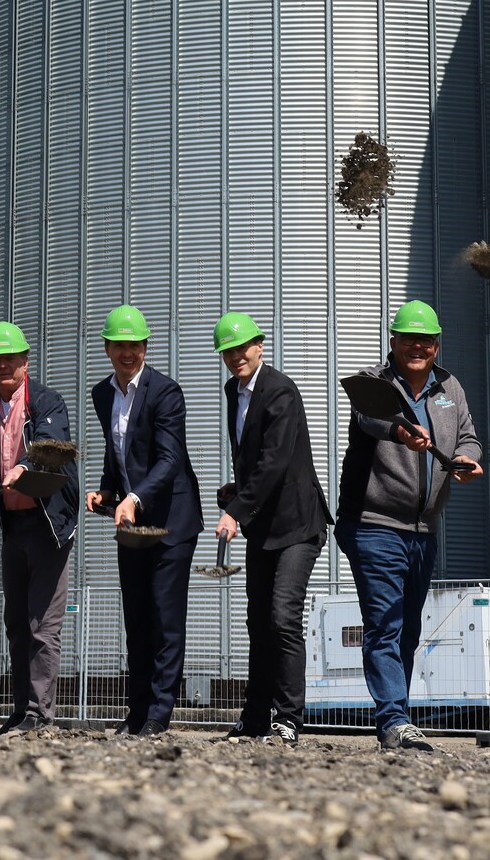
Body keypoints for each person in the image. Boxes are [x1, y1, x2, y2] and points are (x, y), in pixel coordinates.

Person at [336, 300, 482, 752]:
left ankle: (393, 718)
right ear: (393, 342)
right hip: (373, 523)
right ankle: (395, 719)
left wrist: (467, 460)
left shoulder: (449, 386)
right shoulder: (374, 383)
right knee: (385, 622)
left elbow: (469, 437)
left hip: (424, 529)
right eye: (409, 339)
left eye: (427, 340)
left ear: (437, 345)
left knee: (409, 627)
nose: (418, 347)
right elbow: (371, 418)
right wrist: (402, 431)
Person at [213, 312, 330, 747]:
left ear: (260, 346)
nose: (236, 356)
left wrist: (237, 510)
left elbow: (277, 458)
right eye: (228, 350)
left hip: (298, 523)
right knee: (258, 623)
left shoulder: (280, 389)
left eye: (243, 347)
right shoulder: (233, 391)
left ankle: (288, 719)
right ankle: (254, 717)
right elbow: (252, 456)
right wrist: (238, 489)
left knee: (282, 617)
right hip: (263, 524)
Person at [85, 305, 202, 737]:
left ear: (146, 347)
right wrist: (108, 491)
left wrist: (132, 497)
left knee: (164, 616)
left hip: (173, 520)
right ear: (107, 348)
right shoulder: (102, 394)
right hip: (131, 523)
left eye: (134, 345)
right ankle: (136, 712)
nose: (127, 353)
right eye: (119, 345)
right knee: (135, 617)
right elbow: (119, 454)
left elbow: (170, 460)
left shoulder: (166, 392)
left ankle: (158, 714)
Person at [0, 321, 79, 733]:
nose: (3, 367)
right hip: (12, 523)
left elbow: (51, 449)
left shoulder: (47, 402)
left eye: (10, 360)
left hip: (49, 524)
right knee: (15, 621)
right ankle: (21, 710)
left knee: (41, 624)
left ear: (25, 363)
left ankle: (39, 714)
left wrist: (23, 467)